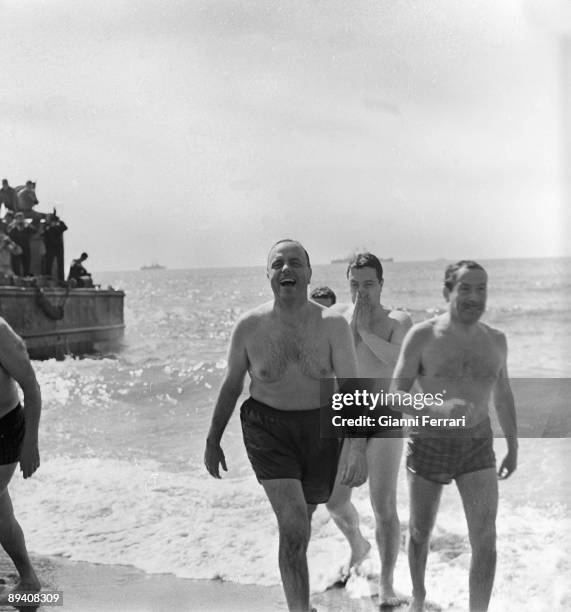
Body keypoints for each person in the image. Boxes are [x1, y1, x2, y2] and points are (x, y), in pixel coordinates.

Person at [204, 239, 367, 612]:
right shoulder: (249, 326)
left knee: (307, 515)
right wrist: (213, 439)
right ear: (268, 275)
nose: (286, 269)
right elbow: (232, 385)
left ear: (309, 273)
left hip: (324, 428)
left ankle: (302, 592)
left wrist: (357, 446)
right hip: (268, 429)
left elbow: (353, 387)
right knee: (293, 525)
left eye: (295, 263)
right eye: (278, 264)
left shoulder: (332, 325)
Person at [390, 260, 518, 612]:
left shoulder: (496, 340)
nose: (474, 296)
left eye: (481, 289)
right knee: (420, 532)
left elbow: (503, 395)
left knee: (486, 539)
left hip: (477, 446)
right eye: (465, 288)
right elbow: (394, 396)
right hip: (429, 443)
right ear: (448, 292)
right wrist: (437, 409)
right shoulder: (422, 336)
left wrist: (513, 447)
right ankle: (417, 597)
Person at [325, 252, 412, 605]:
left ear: (381, 283)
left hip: (385, 419)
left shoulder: (397, 319)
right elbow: (327, 364)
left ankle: (388, 584)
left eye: (369, 284)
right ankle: (358, 546)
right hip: (348, 419)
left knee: (384, 507)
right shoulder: (335, 318)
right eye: (355, 285)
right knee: (333, 501)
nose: (361, 292)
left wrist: (363, 330)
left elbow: (401, 362)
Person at [0, 318, 42, 601]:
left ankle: (29, 581)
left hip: (4, 428)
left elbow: (31, 386)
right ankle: (28, 580)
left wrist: (30, 444)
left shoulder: (1, 333)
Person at [8, 213, 37, 277]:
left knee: (26, 264)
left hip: (26, 247)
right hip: (16, 248)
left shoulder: (27, 226)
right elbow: (8, 233)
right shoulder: (12, 226)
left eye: (21, 218)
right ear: (16, 219)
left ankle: (26, 278)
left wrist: (28, 225)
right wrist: (14, 225)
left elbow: (35, 230)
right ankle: (17, 278)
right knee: (16, 265)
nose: (20, 219)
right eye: (18, 218)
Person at [42, 211, 68, 281]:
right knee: (49, 262)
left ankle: (61, 278)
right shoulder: (47, 227)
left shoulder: (58, 226)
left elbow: (65, 227)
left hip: (58, 247)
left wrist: (59, 221)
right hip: (50, 247)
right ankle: (48, 276)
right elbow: (44, 234)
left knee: (60, 263)